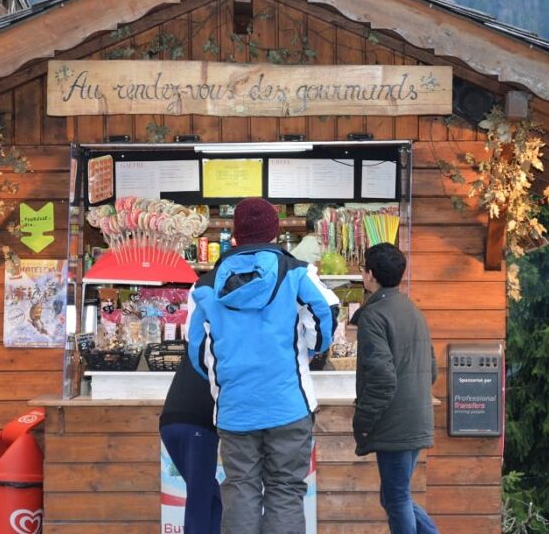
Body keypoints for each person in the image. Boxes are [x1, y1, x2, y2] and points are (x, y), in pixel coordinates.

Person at [188, 197, 338, 534]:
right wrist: (316, 348)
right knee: (285, 489)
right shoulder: (297, 272)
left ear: (235, 235)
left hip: (235, 409)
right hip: (288, 405)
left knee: (240, 487)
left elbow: (197, 350)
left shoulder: (207, 285)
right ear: (274, 233)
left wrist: (221, 383)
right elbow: (325, 313)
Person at [351, 242, 439, 534]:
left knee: (396, 497)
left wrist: (362, 420)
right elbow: (432, 369)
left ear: (370, 275)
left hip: (394, 423)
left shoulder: (374, 316)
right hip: (417, 418)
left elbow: (381, 378)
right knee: (395, 495)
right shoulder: (413, 310)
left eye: (364, 269)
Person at [159, 356, 221, 532]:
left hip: (169, 423)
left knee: (211, 495)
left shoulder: (198, 341)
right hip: (198, 424)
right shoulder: (225, 340)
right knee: (200, 499)